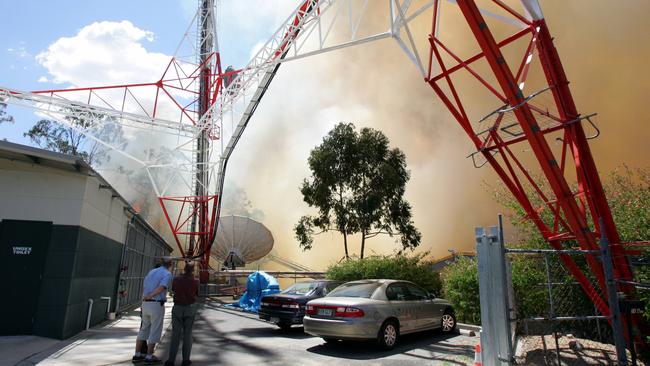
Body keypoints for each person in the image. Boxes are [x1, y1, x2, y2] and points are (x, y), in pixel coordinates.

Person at [133, 257, 173, 364]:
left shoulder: (151, 272)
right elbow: (162, 287)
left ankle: (137, 354)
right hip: (156, 303)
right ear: (170, 264)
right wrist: (151, 296)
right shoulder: (167, 274)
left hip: (145, 303)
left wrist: (145, 298)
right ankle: (149, 356)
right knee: (155, 329)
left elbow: (145, 286)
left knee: (144, 328)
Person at [165, 262, 199, 366]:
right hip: (190, 307)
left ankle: (171, 360)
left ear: (184, 269)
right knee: (188, 334)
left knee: (175, 334)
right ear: (193, 270)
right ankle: (186, 359)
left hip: (178, 307)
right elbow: (197, 293)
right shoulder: (196, 281)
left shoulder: (176, 279)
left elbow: (173, 290)